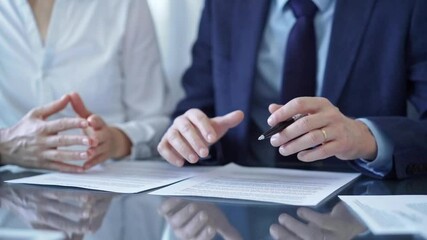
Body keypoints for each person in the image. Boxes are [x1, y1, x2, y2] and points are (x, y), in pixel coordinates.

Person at [157, 0, 427, 179]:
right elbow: (195, 107)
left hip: (353, 213)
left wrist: (365, 137)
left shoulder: (406, 6)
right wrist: (192, 136)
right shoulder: (224, 5)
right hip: (240, 203)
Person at [0, 0, 169, 172]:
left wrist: (116, 140)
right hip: (9, 183)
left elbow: (157, 123)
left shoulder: (125, 4)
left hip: (105, 184)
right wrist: (5, 145)